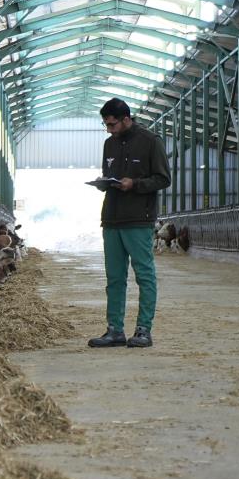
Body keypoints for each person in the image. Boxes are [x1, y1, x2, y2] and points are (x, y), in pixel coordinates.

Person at [88, 98, 170, 349]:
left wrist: (134, 184)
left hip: (138, 219)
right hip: (111, 218)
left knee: (144, 276)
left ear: (126, 119)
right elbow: (109, 173)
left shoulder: (150, 141)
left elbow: (163, 179)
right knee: (114, 278)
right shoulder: (109, 144)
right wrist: (105, 182)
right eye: (106, 125)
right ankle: (115, 330)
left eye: (112, 124)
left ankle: (144, 330)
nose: (109, 129)